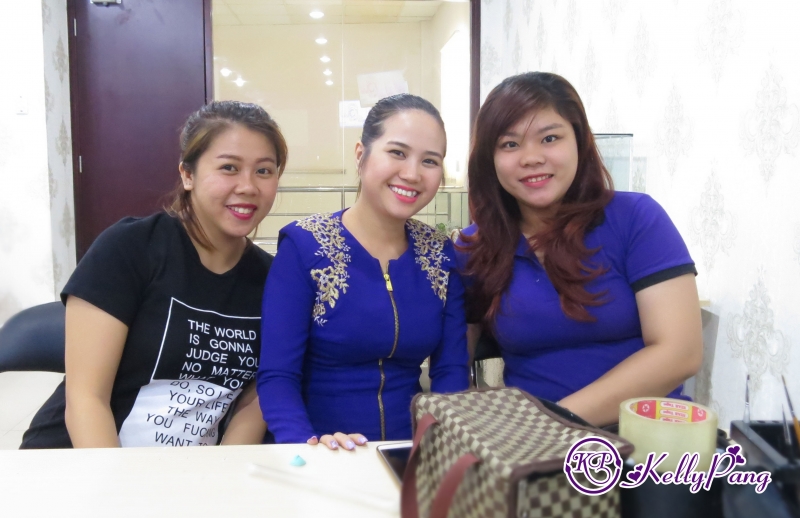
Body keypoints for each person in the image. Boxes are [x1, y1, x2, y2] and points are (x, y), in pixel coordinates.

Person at [21, 101, 287, 448]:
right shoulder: (130, 248)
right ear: (187, 174)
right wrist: (122, 483)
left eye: (264, 171)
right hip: (80, 458)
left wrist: (224, 473)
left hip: (188, 471)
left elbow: (255, 400)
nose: (248, 186)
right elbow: (86, 399)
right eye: (229, 168)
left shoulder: (273, 279)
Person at [457, 72, 703, 427]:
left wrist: (550, 422)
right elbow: (453, 364)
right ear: (489, 159)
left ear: (580, 141)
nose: (531, 158)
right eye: (509, 144)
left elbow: (680, 352)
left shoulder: (636, 218)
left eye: (550, 138)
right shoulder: (475, 248)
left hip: (647, 440)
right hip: (536, 450)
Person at [258, 94, 469, 449]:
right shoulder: (304, 246)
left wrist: (441, 441)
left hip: (411, 452)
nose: (412, 173)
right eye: (397, 152)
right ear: (361, 154)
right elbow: (278, 376)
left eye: (430, 161)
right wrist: (307, 445)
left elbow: (451, 369)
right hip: (324, 451)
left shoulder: (440, 253)